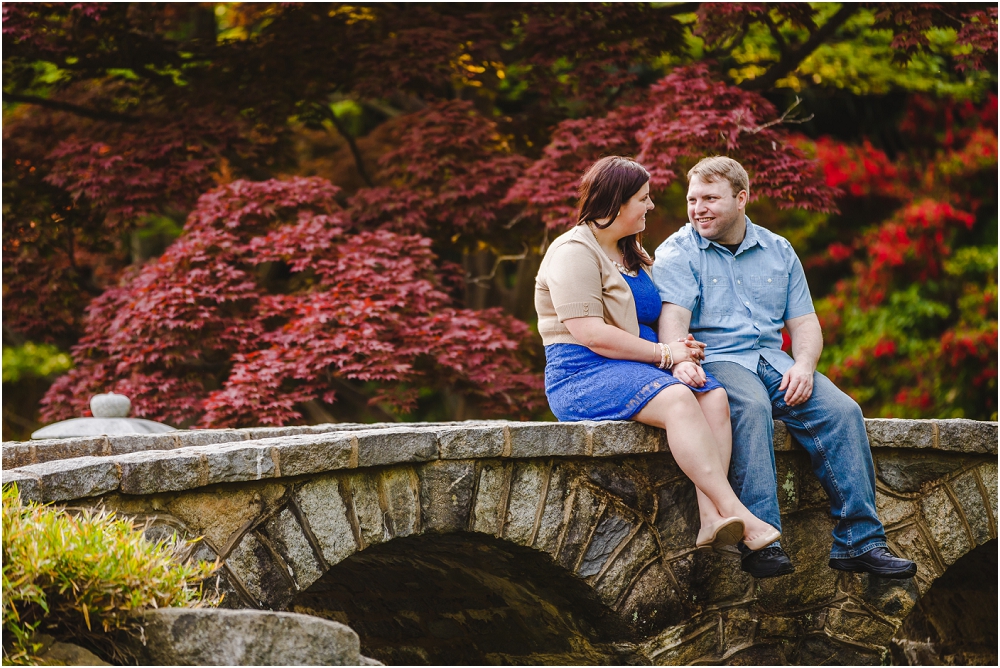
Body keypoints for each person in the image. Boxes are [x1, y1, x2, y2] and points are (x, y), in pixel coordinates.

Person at [652, 155, 917, 579]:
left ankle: (860, 542)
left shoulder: (778, 250)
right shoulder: (678, 252)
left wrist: (805, 366)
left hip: (777, 362)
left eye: (710, 198)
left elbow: (805, 323)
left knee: (843, 411)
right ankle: (762, 541)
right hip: (718, 360)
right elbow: (673, 324)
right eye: (692, 199)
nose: (698, 208)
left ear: (742, 198)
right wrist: (678, 357)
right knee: (751, 407)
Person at [534, 155, 781, 553]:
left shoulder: (631, 252)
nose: (651, 206)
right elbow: (592, 335)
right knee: (680, 400)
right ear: (616, 202)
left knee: (713, 396)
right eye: (643, 199)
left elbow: (657, 318)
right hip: (581, 373)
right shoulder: (572, 252)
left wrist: (682, 358)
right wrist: (667, 355)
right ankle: (736, 509)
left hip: (639, 365)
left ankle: (711, 519)